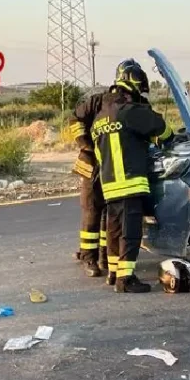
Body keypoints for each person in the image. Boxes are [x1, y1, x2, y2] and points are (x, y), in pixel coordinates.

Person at [92, 63, 173, 292]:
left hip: (109, 187)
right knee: (131, 234)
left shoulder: (100, 118)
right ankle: (125, 280)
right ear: (134, 87)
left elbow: (100, 153)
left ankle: (114, 273)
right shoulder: (130, 111)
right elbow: (163, 130)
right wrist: (163, 139)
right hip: (130, 184)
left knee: (114, 231)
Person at [69, 59, 148, 279]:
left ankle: (107, 258)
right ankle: (89, 257)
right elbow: (75, 119)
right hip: (93, 164)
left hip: (118, 166)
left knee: (111, 214)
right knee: (93, 210)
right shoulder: (98, 101)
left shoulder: (138, 103)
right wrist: (87, 145)